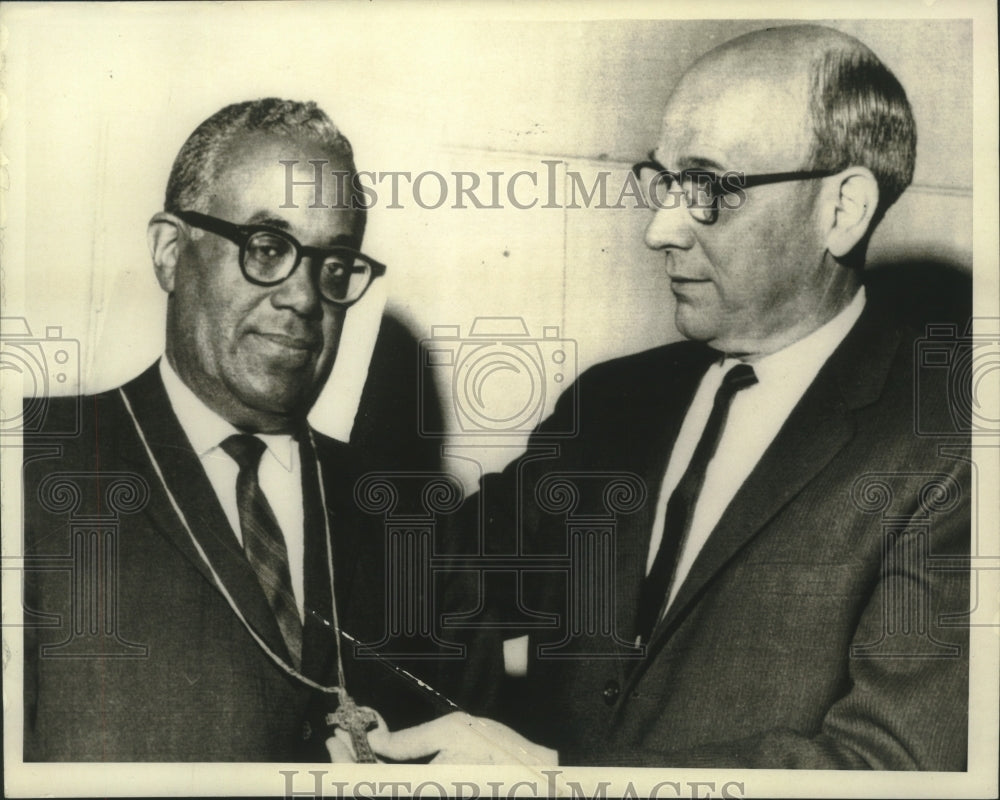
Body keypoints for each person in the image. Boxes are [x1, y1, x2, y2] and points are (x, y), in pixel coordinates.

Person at [366, 25, 971, 770]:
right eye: (662, 180)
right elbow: (433, 582)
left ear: (842, 209)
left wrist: (561, 781)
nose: (659, 229)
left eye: (711, 187)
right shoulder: (616, 403)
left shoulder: (952, 448)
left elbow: (894, 767)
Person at [21, 98, 446, 761]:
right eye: (267, 247)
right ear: (170, 251)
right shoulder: (33, 460)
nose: (305, 297)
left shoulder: (403, 515)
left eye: (333, 266)